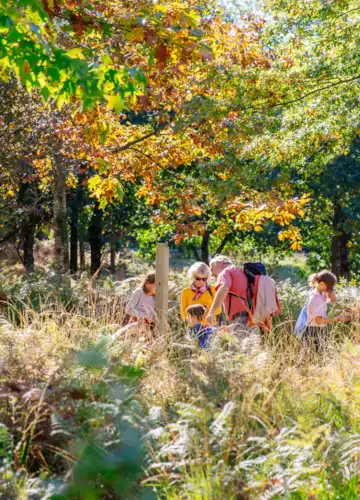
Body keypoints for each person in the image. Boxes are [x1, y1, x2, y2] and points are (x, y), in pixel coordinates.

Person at [304, 270, 346, 352]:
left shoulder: (320, 293)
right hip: (314, 332)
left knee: (318, 357)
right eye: (329, 287)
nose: (330, 289)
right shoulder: (316, 298)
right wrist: (336, 318)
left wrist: (330, 291)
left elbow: (333, 300)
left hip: (317, 330)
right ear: (322, 284)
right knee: (316, 358)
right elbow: (319, 321)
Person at [206, 255, 250, 329]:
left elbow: (224, 288)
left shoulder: (225, 272)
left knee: (240, 340)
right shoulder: (241, 271)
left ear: (220, 264)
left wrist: (212, 312)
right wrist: (231, 327)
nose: (212, 275)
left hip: (241, 318)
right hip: (252, 318)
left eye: (211, 268)